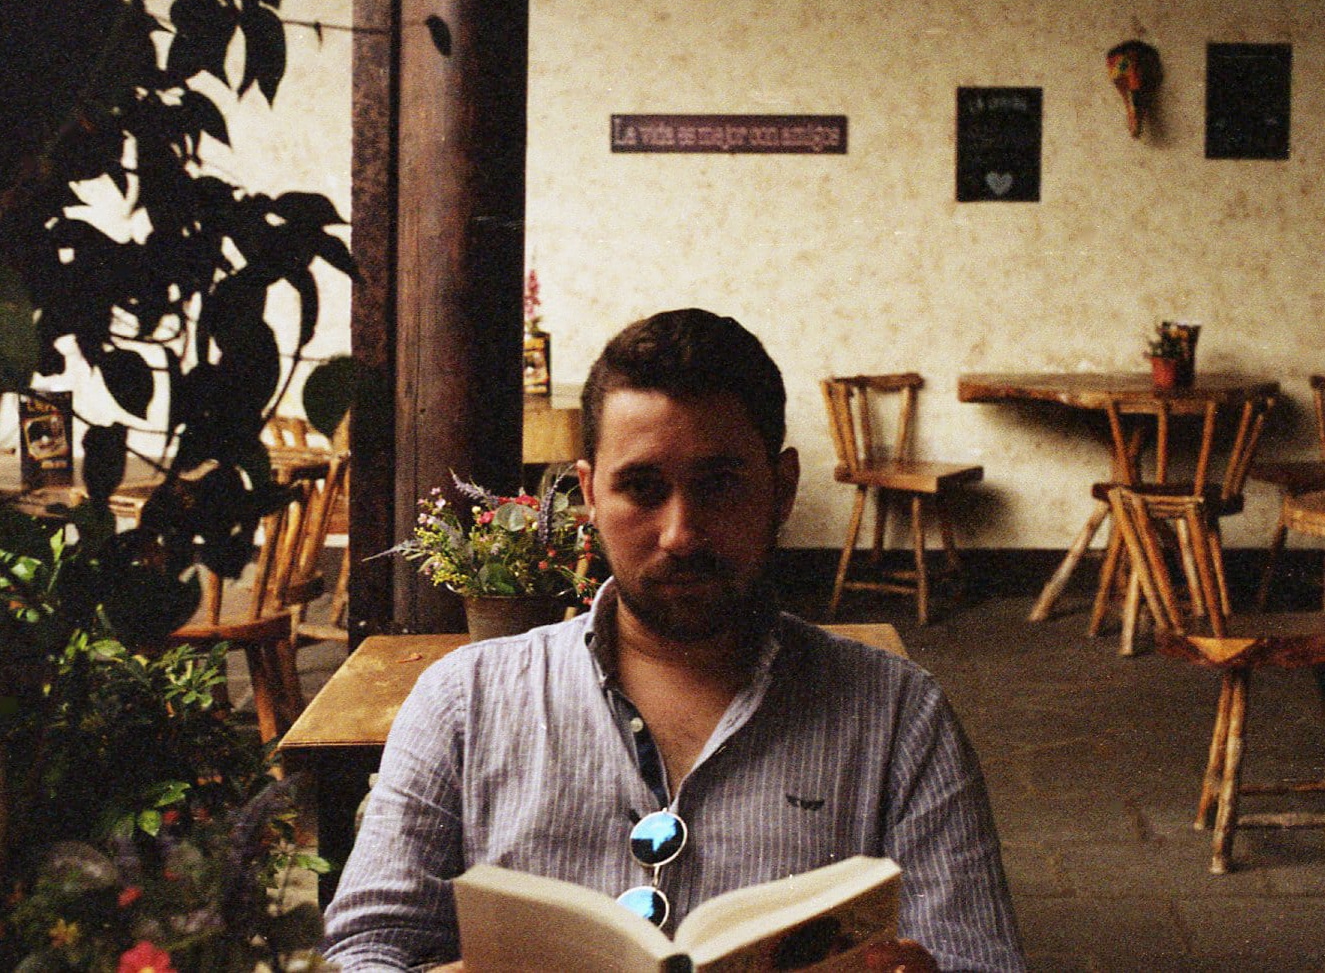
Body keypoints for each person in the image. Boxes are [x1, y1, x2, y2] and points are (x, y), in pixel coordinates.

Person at [322, 309, 1026, 972]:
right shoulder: (464, 701)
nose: (681, 533)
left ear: (781, 489)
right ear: (589, 494)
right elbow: (367, 947)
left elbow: (977, 958)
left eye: (719, 485)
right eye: (641, 487)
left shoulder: (898, 715)